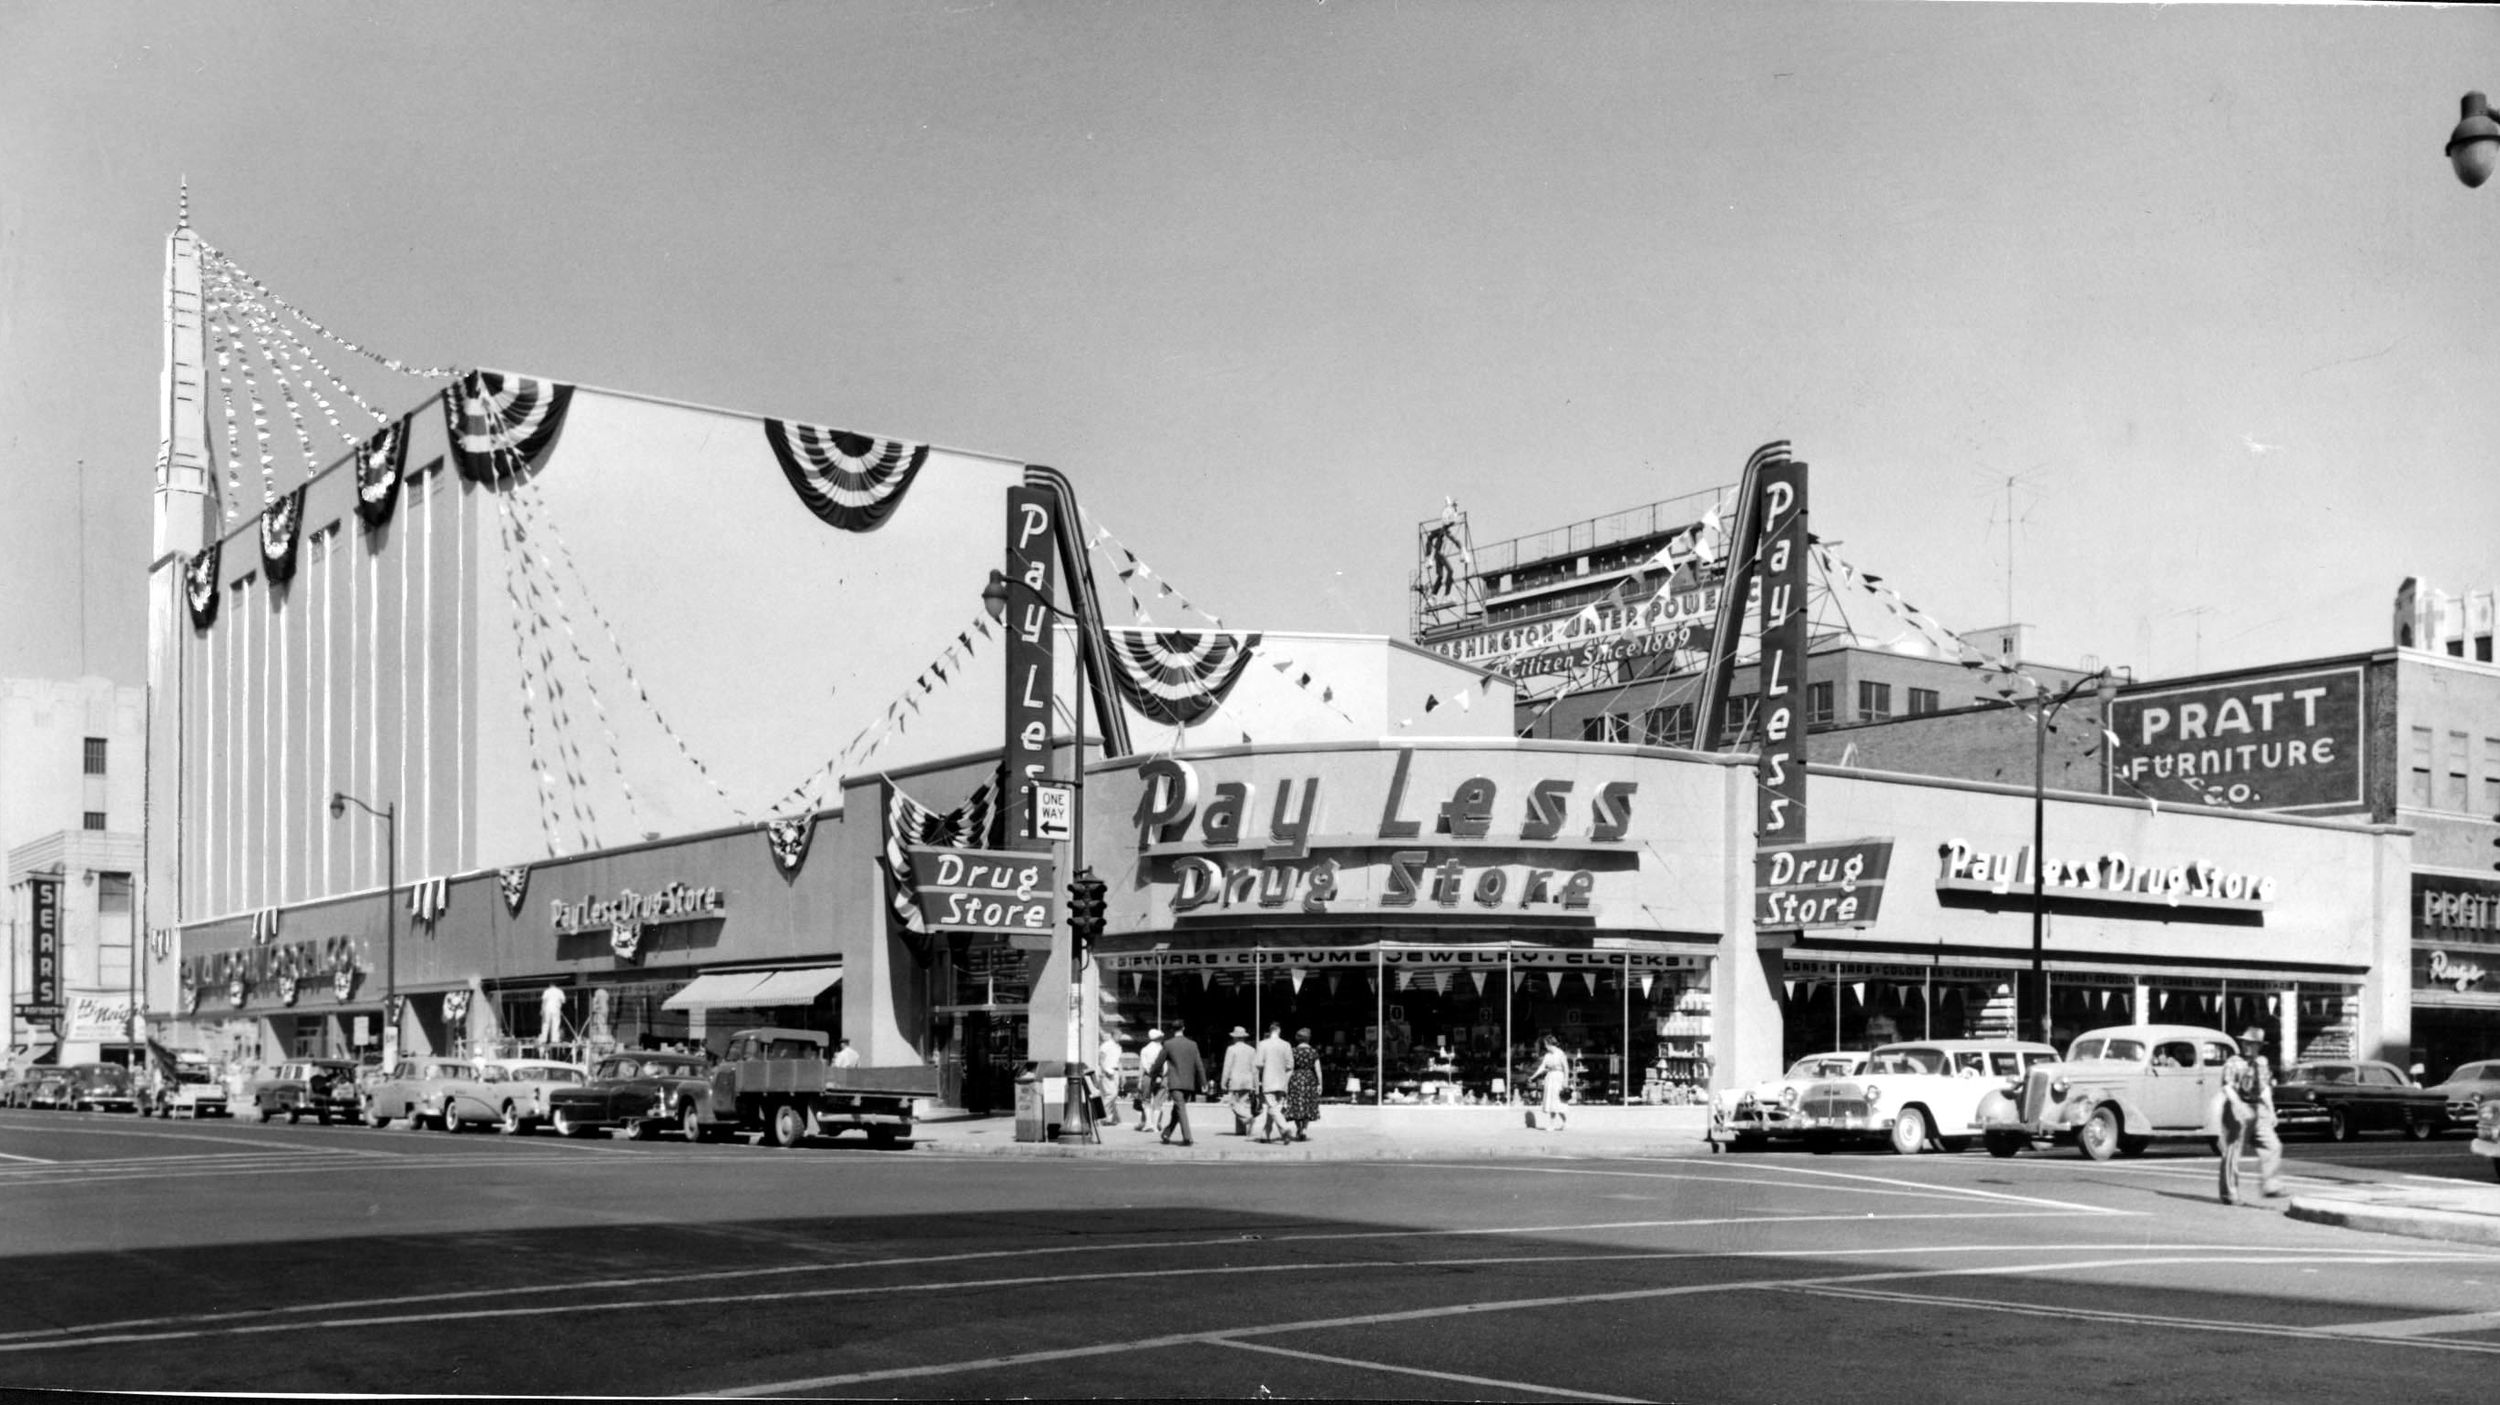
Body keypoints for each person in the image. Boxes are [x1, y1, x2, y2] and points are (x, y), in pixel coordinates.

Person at [2218, 1026, 2285, 1205]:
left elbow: (2264, 1088)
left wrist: (2271, 1110)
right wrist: (2239, 1106)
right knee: (2234, 1150)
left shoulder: (2262, 1062)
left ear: (2259, 1046)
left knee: (2273, 1145)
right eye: (2246, 1043)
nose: (2248, 1046)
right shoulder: (2233, 1062)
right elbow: (2227, 1087)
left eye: (2253, 1044)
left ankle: (2270, 1185)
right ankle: (2229, 1194)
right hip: (2236, 1106)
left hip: (2257, 1108)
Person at [1156, 1020, 1205, 1146]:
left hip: (1175, 1082)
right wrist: (1203, 1081)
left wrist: (1153, 1075)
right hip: (1189, 1083)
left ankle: (1184, 1137)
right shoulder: (1192, 1044)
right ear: (1183, 1028)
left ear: (1173, 1030)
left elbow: (1158, 1062)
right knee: (1180, 1108)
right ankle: (1176, 1134)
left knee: (1178, 1109)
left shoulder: (1168, 1044)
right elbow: (1199, 1064)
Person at [1252, 1022, 1294, 1142]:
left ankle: (1285, 1129)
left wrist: (1259, 1077)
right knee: (1274, 1108)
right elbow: (1290, 1066)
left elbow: (1259, 1064)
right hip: (1281, 1081)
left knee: (1272, 1108)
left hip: (1269, 1080)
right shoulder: (1286, 1045)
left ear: (1270, 1031)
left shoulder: (1263, 1044)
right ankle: (1265, 1134)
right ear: (1279, 1030)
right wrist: (1286, 1080)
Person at [1284, 1028, 1323, 1141]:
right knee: (1308, 1104)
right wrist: (1320, 1084)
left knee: (1296, 1104)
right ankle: (1304, 1129)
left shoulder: (1293, 1051)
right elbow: (1318, 1070)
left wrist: (1286, 1083)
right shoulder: (1313, 1052)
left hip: (1296, 1079)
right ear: (1308, 1039)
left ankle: (1299, 1128)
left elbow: (1290, 1069)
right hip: (1309, 1079)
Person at [1219, 1027, 1259, 1136]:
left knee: (1233, 1103)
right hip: (1247, 1080)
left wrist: (1223, 1081)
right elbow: (1254, 1069)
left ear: (1235, 1037)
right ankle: (1241, 1130)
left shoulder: (1231, 1049)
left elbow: (1227, 1067)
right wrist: (1256, 1084)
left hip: (1235, 1080)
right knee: (1241, 1104)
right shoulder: (1251, 1050)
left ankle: (1248, 1118)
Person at [1534, 1034, 1572, 1132]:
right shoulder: (1547, 1055)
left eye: (1546, 1044)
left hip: (1559, 1077)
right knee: (1552, 1101)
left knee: (1556, 1100)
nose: (1545, 1046)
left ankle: (1552, 1124)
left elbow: (1566, 1068)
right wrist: (1533, 1076)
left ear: (1549, 1043)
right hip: (1550, 1078)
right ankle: (1565, 1122)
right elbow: (1542, 1067)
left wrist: (1565, 1081)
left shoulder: (1560, 1054)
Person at [1133, 1027, 1165, 1132]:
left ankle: (1148, 1123)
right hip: (1161, 1077)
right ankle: (1155, 1125)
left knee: (1146, 1100)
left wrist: (1140, 1080)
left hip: (1148, 1076)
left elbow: (1143, 1066)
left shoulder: (1144, 1049)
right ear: (1159, 1038)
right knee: (1158, 1101)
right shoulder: (1162, 1049)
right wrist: (1161, 1076)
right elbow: (1165, 1065)